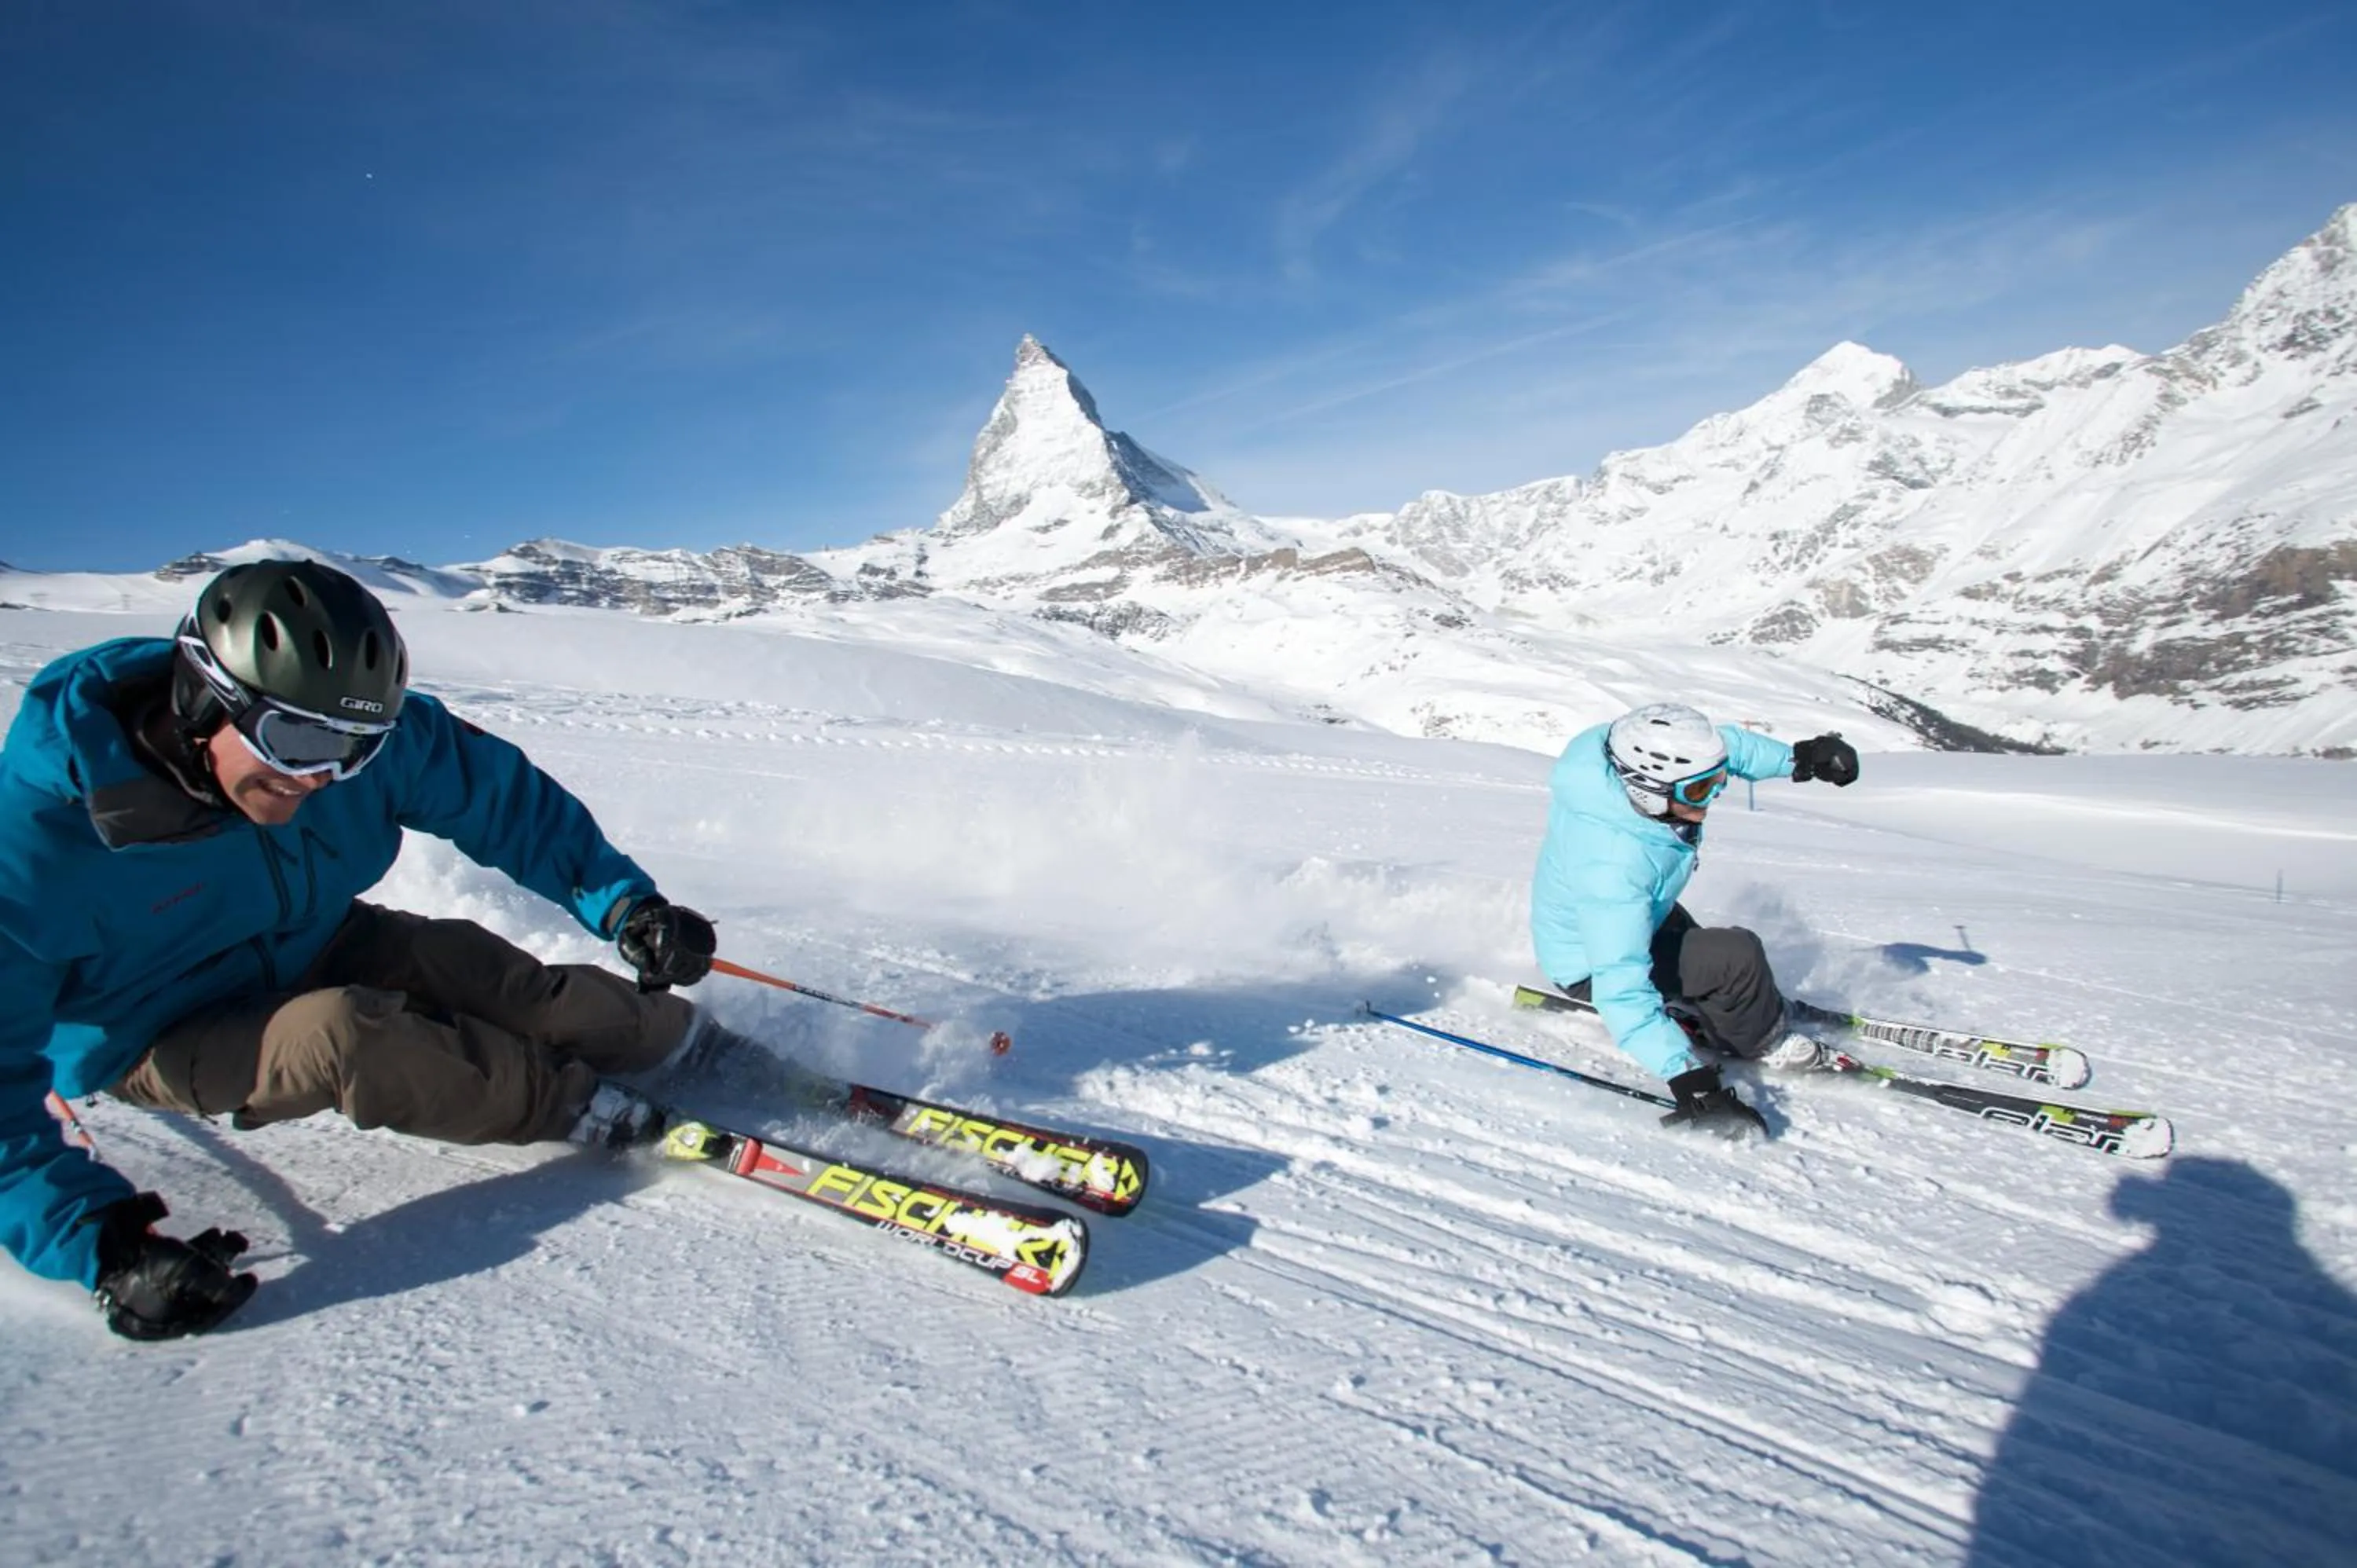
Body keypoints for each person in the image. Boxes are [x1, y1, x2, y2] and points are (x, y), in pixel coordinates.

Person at [0, 559, 721, 1342]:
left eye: (358, 749)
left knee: (498, 978)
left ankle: (691, 1043)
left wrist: (627, 904)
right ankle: (580, 1104)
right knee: (353, 1036)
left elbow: (493, 794)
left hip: (314, 937)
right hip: (155, 1028)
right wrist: (104, 1248)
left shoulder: (333, 748)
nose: (322, 776)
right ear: (203, 696)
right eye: (297, 741)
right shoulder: (35, 849)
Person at [1530, 702, 1860, 1137]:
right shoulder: (1613, 867)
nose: (1714, 795)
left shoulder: (1611, 762)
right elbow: (1619, 985)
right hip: (1589, 965)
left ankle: (1740, 1006)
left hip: (1636, 920)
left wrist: (1798, 759)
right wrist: (1686, 1076)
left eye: (1715, 783)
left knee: (1705, 949)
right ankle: (1761, 1040)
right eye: (1700, 791)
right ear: (1648, 788)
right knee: (1736, 955)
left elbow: (1726, 748)